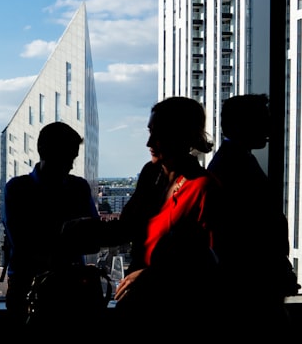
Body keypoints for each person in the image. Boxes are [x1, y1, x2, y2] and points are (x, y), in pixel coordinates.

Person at [87, 97, 222, 329]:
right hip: (137, 302)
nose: (149, 141)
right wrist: (80, 230)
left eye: (158, 133)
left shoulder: (204, 189)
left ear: (183, 136)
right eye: (150, 131)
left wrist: (152, 275)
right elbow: (126, 227)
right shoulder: (151, 174)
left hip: (176, 311)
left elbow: (212, 264)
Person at [207, 94, 298, 332]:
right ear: (242, 125)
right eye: (262, 120)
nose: (269, 127)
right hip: (251, 289)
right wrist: (275, 270)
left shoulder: (234, 161)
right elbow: (248, 233)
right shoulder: (232, 167)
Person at [1, 121, 99, 327]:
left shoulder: (18, 189)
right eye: (68, 158)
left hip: (47, 284)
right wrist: (71, 236)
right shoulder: (76, 189)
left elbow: (92, 237)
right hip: (35, 288)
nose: (72, 164)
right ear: (47, 152)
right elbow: (23, 243)